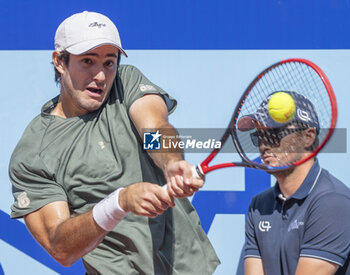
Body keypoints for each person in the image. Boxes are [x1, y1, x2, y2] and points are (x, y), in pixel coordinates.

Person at [9, 11, 220, 274]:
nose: (100, 76)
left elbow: (154, 128)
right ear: (59, 62)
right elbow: (60, 246)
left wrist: (171, 162)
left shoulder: (125, 81)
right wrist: (119, 202)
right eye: (88, 61)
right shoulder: (33, 154)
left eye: (109, 62)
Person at [238, 91, 350, 275]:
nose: (264, 145)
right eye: (258, 136)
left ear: (308, 136)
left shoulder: (333, 202)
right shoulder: (259, 205)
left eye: (274, 133)